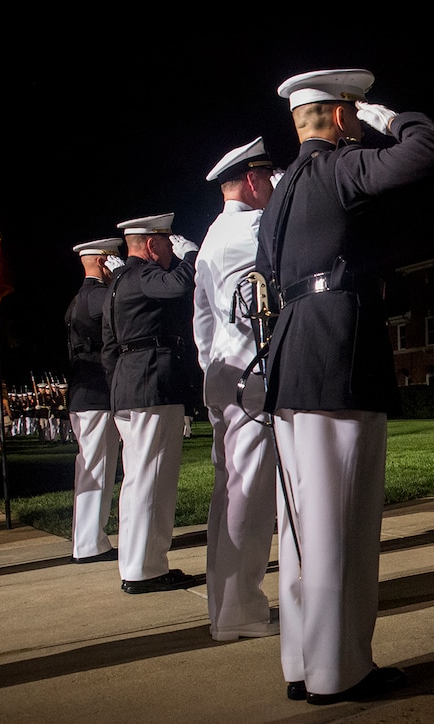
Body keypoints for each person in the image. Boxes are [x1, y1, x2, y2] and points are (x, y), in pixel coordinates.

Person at [255, 68, 434, 705]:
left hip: (292, 355)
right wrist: (388, 117)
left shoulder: (279, 192)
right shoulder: (338, 169)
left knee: (303, 522)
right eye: (354, 115)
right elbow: (429, 148)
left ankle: (304, 661)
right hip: (339, 352)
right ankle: (341, 672)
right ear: (342, 118)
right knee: (341, 518)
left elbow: (267, 270)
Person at [194, 137, 280, 642]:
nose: (272, 185)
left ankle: (225, 606)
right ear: (252, 180)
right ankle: (241, 611)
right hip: (254, 380)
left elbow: (202, 323)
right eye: (268, 177)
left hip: (226, 377)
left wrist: (214, 370)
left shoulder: (210, 236)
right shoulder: (255, 229)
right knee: (250, 497)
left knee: (228, 496)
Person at [101, 212, 200, 594]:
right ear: (151, 244)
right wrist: (191, 257)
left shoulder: (117, 283)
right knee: (152, 480)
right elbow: (179, 285)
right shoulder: (143, 275)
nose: (169, 251)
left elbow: (110, 348)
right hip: (152, 384)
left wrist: (119, 388)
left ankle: (138, 563)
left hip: (130, 386)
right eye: (166, 243)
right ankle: (146, 569)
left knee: (138, 480)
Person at [65, 237, 124, 564]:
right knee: (97, 469)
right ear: (104, 262)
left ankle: (88, 539)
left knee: (91, 468)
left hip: (82, 393)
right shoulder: (102, 296)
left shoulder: (78, 299)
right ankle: (89, 543)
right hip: (97, 393)